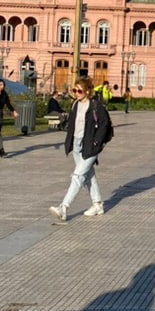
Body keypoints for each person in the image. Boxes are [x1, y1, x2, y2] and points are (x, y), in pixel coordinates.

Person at [49, 77, 111, 221]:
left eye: (79, 91)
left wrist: (97, 142)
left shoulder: (96, 106)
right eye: (74, 90)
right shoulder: (75, 104)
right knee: (89, 175)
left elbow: (104, 125)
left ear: (88, 91)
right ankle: (97, 205)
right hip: (76, 145)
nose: (76, 93)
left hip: (90, 146)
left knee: (77, 177)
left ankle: (63, 207)